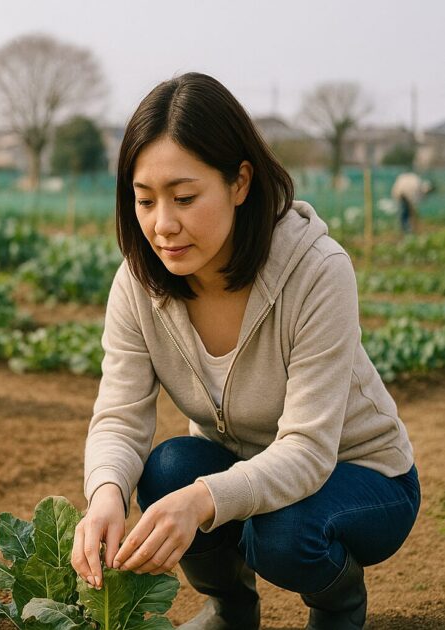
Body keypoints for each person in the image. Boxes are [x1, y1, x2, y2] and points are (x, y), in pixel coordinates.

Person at [72, 73, 419, 630]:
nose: (163, 225)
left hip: (361, 475)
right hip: (248, 466)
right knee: (166, 470)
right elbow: (120, 414)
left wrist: (202, 501)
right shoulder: (138, 285)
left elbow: (307, 450)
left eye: (185, 197)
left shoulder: (317, 271)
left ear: (240, 182)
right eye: (145, 200)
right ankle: (231, 611)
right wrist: (105, 494)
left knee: (280, 532)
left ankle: (340, 609)